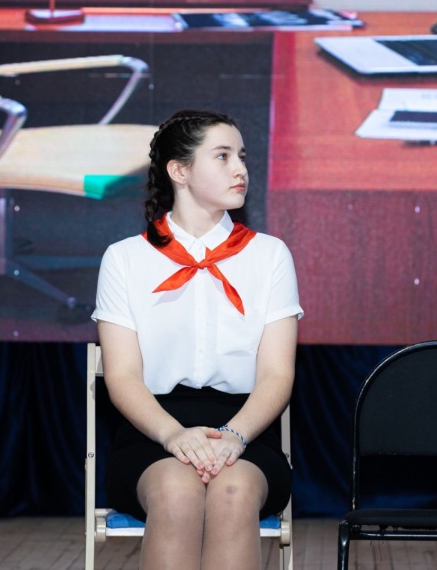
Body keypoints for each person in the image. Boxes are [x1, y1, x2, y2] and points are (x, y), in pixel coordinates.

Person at [91, 109, 303, 570]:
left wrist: (234, 437)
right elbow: (123, 376)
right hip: (152, 431)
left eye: (241, 156)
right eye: (222, 156)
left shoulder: (270, 255)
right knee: (176, 491)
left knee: (233, 491)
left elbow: (276, 374)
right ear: (179, 171)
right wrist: (173, 436)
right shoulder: (125, 258)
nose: (240, 169)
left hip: (247, 431)